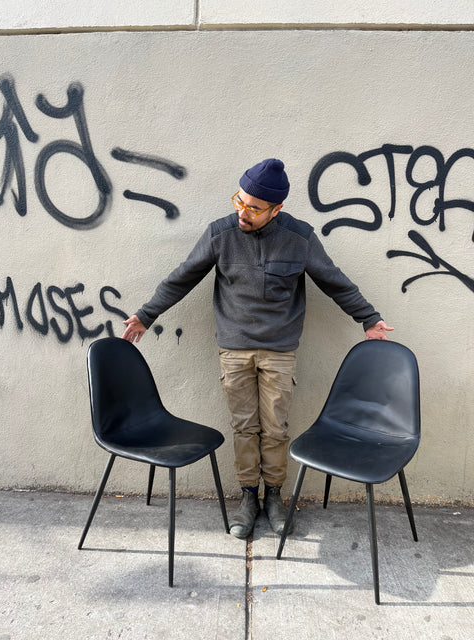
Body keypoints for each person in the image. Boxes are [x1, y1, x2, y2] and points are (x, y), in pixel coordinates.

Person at [122, 158, 393, 539]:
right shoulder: (220, 234)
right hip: (234, 349)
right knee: (244, 427)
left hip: (279, 351)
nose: (242, 212)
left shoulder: (299, 238)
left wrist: (369, 318)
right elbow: (181, 277)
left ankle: (275, 497)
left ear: (276, 209)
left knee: (276, 428)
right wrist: (145, 316)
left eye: (253, 207)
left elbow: (335, 281)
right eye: (240, 200)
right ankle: (248, 496)